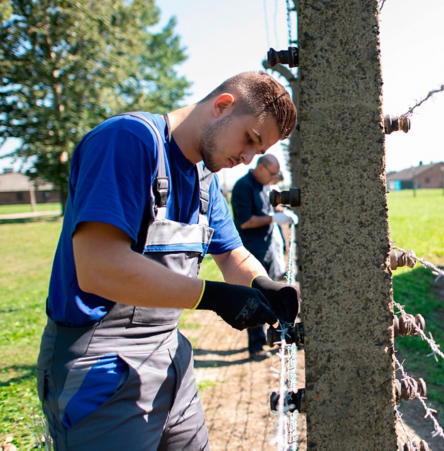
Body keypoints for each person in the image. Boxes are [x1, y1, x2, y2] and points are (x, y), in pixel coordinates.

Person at [36, 71, 299, 450]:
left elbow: (232, 255)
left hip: (170, 361)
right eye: (250, 140)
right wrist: (212, 296)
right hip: (100, 367)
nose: (245, 159)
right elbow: (99, 266)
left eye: (256, 153)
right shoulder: (129, 141)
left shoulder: (205, 181)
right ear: (222, 106)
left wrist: (264, 286)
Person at [231, 154, 298, 360]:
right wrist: (273, 218)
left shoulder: (265, 186)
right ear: (260, 167)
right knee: (254, 297)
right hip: (252, 250)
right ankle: (256, 346)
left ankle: (275, 336)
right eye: (271, 174)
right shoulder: (242, 187)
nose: (273, 178)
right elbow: (245, 221)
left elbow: (268, 208)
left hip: (267, 247)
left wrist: (282, 211)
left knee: (270, 296)